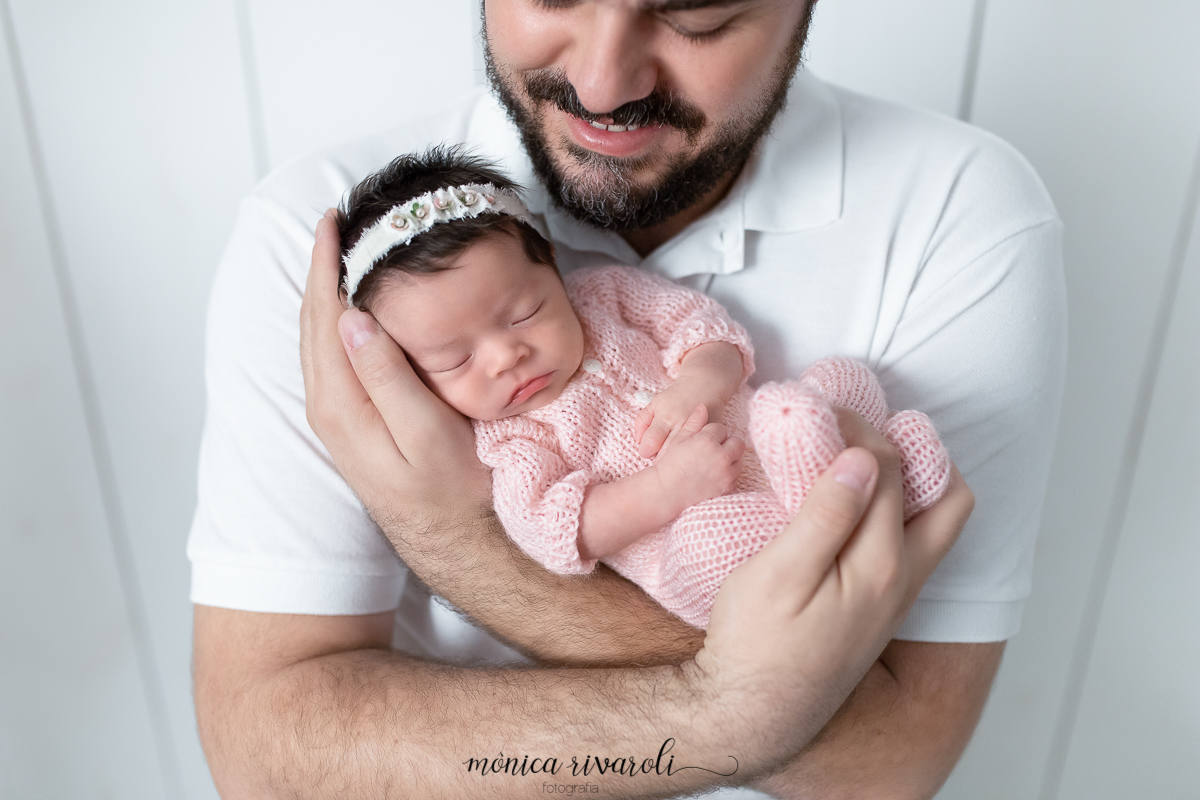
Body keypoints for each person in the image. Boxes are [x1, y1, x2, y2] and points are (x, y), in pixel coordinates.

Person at [190, 1, 1064, 798]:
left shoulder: (960, 213)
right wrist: (729, 708)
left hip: (752, 434)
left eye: (698, 13)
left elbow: (893, 763)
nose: (603, 85)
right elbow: (270, 761)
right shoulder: (333, 266)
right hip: (691, 532)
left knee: (815, 409)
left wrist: (451, 535)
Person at [337, 147, 952, 630]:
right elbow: (557, 529)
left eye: (524, 313)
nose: (506, 356)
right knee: (710, 542)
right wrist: (664, 490)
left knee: (837, 379)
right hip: (709, 557)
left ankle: (860, 478)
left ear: (550, 262)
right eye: (454, 359)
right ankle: (846, 498)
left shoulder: (605, 296)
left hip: (763, 437)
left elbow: (707, 330)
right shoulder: (512, 441)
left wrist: (700, 383)